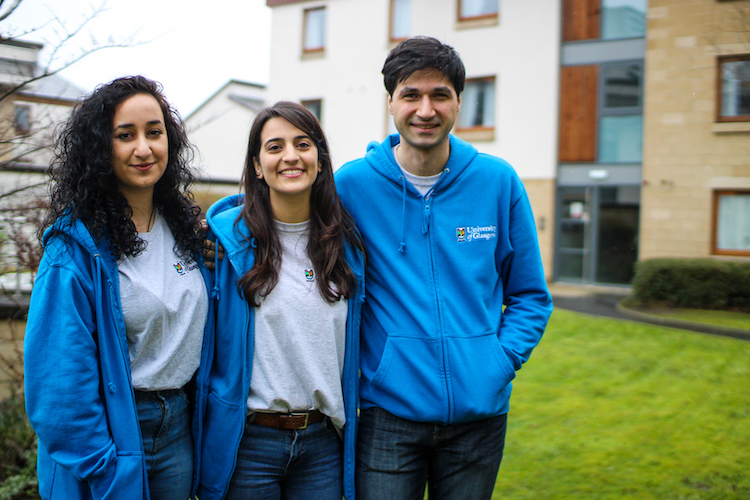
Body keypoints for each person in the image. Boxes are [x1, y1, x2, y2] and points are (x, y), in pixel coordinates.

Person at [334, 36, 554, 500]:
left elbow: (531, 295)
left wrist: (499, 361)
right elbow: (281, 217)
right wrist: (217, 228)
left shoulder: (498, 181)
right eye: (411, 95)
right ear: (391, 102)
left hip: (480, 418)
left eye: (439, 95)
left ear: (458, 102)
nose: (425, 109)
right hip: (388, 415)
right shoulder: (352, 186)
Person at [24, 76, 213, 500]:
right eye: (125, 136)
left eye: (154, 132)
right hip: (110, 439)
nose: (143, 149)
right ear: (100, 149)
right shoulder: (73, 250)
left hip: (178, 428)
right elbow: (57, 388)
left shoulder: (186, 229)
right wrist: (104, 468)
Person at [196, 101, 365, 500]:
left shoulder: (348, 247)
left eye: (303, 144)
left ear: (320, 160)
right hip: (249, 443)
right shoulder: (223, 246)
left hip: (323, 445)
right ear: (257, 165)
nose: (290, 156)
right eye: (274, 147)